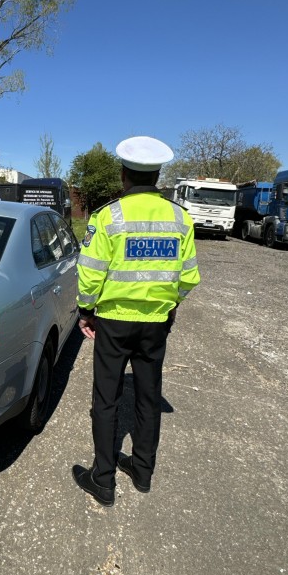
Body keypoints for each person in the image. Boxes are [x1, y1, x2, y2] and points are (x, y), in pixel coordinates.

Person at [72, 136, 200, 507]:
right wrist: (170, 303)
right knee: (147, 398)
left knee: (106, 400)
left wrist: (85, 310)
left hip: (112, 322)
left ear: (123, 174)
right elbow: (188, 275)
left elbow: (91, 272)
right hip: (157, 323)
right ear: (158, 175)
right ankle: (142, 471)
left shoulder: (108, 216)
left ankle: (103, 478)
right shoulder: (180, 217)